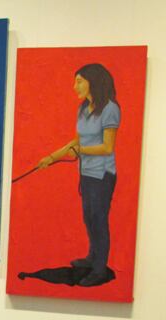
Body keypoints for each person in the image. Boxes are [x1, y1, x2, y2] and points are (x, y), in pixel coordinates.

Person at [37, 63, 120, 287]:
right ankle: (92, 257)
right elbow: (76, 142)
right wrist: (51, 158)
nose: (75, 86)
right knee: (88, 217)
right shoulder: (83, 109)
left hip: (103, 175)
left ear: (94, 81)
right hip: (86, 173)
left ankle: (100, 269)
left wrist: (81, 151)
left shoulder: (110, 109)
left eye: (79, 81)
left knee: (99, 220)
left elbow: (107, 147)